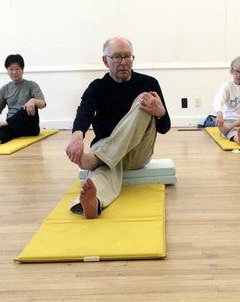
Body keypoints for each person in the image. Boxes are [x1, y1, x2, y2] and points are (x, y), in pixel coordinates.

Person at [65, 36, 170, 219]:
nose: (123, 62)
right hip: (107, 149)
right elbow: (85, 112)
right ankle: (94, 202)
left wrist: (160, 112)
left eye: (127, 56)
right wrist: (77, 137)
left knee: (143, 100)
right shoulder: (97, 87)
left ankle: (97, 160)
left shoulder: (148, 84)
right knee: (105, 170)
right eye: (117, 57)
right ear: (105, 61)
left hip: (137, 153)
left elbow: (164, 127)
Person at [0, 54, 47, 146]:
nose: (14, 72)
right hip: (13, 126)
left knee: (25, 109)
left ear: (22, 70)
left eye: (17, 69)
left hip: (30, 127)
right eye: (11, 69)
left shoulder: (32, 85)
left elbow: (42, 103)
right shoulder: (4, 89)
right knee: (5, 128)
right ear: (7, 70)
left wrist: (33, 101)